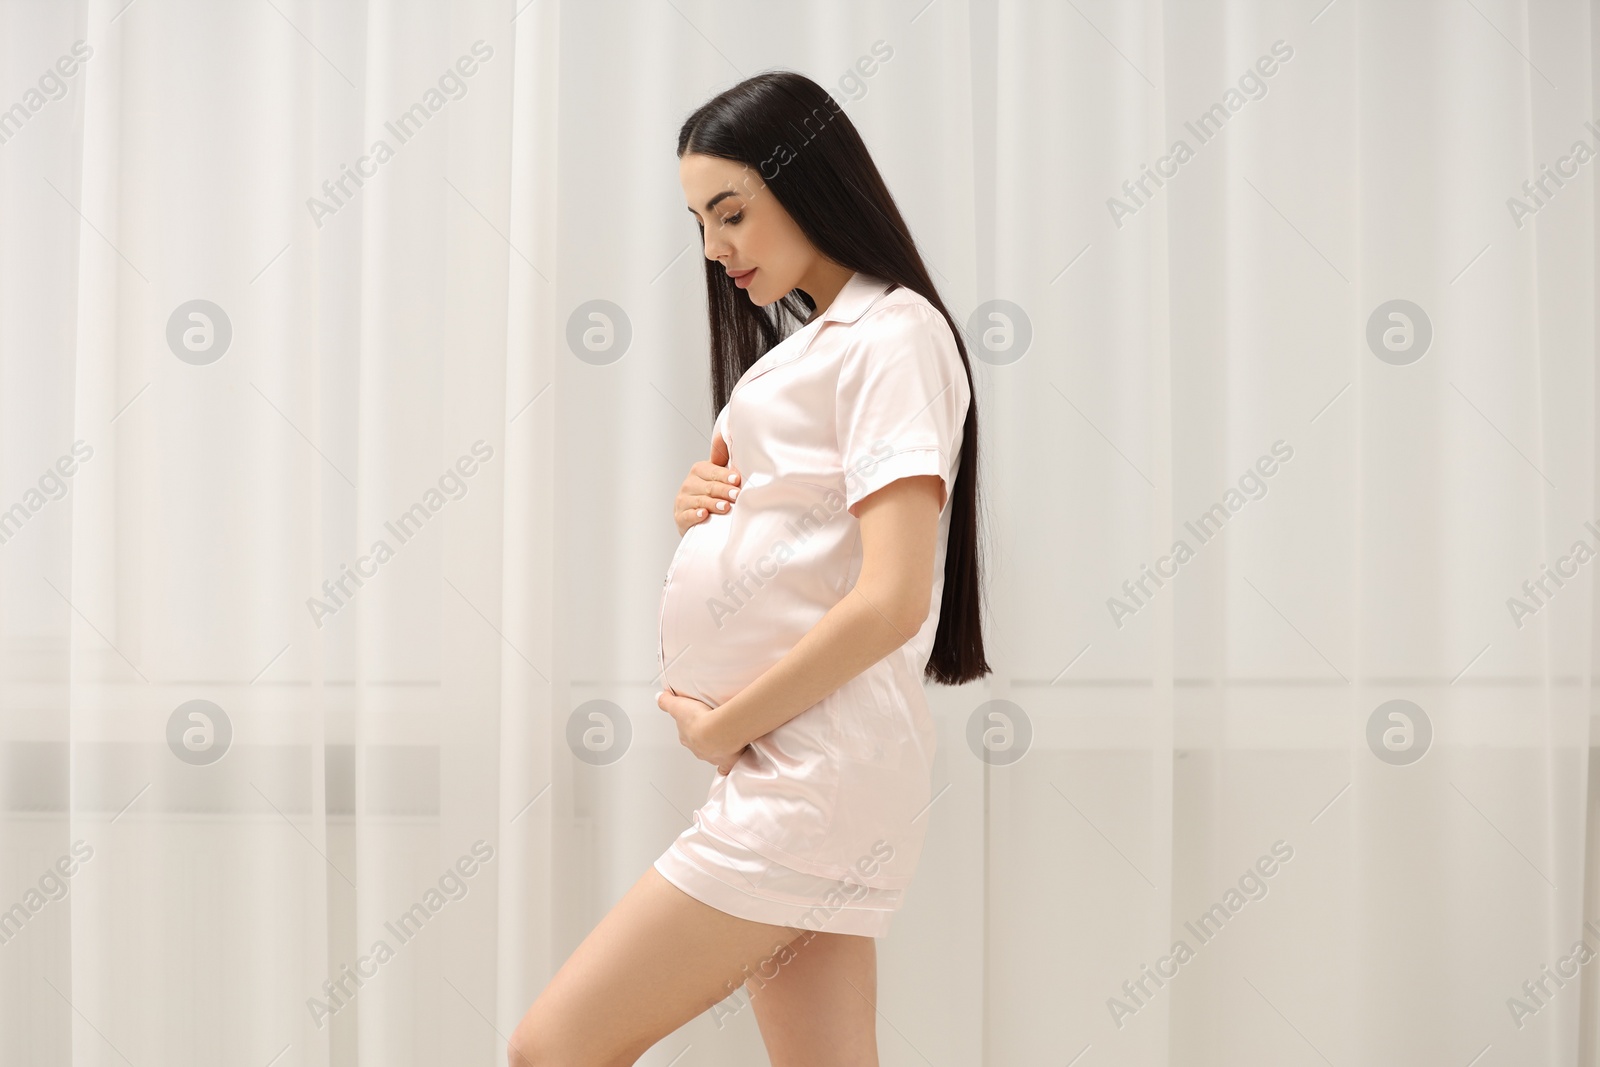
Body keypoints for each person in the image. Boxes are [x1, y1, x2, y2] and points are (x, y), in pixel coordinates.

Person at [510, 70, 989, 1067]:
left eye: (730, 213)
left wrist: (727, 720)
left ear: (809, 184)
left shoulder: (891, 335)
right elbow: (812, 526)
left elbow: (895, 596)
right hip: (806, 767)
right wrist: (710, 513)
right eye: (697, 221)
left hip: (808, 773)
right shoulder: (818, 344)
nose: (712, 248)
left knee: (553, 1048)